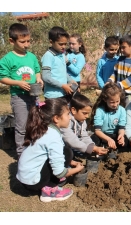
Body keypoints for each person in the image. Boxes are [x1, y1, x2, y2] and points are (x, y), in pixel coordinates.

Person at [16, 98, 85, 202]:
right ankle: (49, 190)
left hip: (25, 178)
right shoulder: (53, 137)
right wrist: (77, 170)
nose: (70, 117)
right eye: (67, 114)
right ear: (56, 118)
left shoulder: (45, 129)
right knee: (67, 152)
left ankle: (46, 183)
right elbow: (59, 172)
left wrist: (72, 162)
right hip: (34, 182)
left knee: (65, 152)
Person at [0, 23, 43, 157]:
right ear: (11, 41)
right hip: (18, 97)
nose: (26, 44)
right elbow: (2, 77)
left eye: (28, 41)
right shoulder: (7, 59)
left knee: (35, 122)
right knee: (22, 126)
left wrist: (39, 78)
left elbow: (37, 71)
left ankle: (34, 148)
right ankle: (21, 153)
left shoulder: (31, 57)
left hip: (33, 96)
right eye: (22, 42)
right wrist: (18, 83)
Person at [60, 93, 109, 159]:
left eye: (88, 113)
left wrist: (92, 146)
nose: (87, 116)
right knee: (70, 154)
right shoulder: (65, 121)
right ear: (73, 110)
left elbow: (84, 135)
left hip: (72, 146)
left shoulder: (82, 120)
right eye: (84, 113)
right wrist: (93, 149)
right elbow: (71, 140)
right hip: (61, 147)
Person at [41, 26, 76, 101]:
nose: (63, 46)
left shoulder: (62, 54)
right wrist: (62, 85)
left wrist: (70, 80)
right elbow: (46, 77)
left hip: (63, 93)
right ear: (51, 42)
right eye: (61, 44)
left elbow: (62, 72)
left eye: (65, 44)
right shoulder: (48, 56)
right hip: (53, 96)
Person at [89, 82, 127, 152]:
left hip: (116, 135)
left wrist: (121, 135)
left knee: (126, 141)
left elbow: (121, 128)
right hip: (103, 135)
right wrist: (108, 139)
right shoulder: (100, 110)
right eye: (112, 102)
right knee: (93, 140)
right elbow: (97, 131)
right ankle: (98, 153)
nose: (115, 105)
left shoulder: (122, 110)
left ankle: (118, 152)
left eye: (117, 101)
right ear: (105, 100)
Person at [107, 34, 131, 106]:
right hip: (118, 93)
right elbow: (114, 73)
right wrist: (109, 81)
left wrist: (120, 85)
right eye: (120, 48)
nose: (121, 50)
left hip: (129, 94)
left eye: (123, 47)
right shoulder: (120, 59)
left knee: (128, 112)